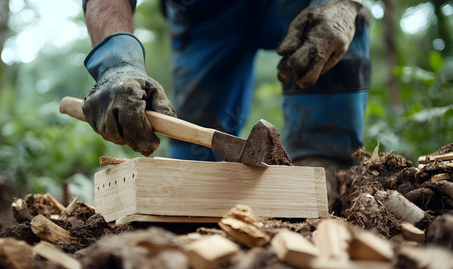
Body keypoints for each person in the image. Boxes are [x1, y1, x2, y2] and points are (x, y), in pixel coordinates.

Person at [80, 0, 370, 209]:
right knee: (191, 173)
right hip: (201, 14)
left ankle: (326, 168)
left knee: (332, 24)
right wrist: (116, 64)